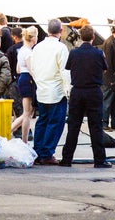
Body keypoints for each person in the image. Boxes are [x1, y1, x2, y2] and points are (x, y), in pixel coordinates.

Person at [59, 25, 111, 168]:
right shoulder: (98, 53)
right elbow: (105, 69)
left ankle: (66, 159)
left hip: (78, 91)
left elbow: (68, 68)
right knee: (96, 126)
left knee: (73, 126)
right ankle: (99, 160)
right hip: (94, 91)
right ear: (93, 37)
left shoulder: (74, 53)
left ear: (81, 37)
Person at [31, 19, 70, 165]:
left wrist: (39, 82)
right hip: (56, 90)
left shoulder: (37, 47)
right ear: (60, 31)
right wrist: (68, 90)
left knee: (42, 121)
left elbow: (33, 68)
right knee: (55, 123)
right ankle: (47, 153)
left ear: (47, 31)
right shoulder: (61, 48)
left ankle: (38, 151)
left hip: (42, 88)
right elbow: (64, 71)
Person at [10, 26, 37, 143]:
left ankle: (10, 130)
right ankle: (24, 140)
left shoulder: (21, 50)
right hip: (28, 79)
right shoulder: (28, 52)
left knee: (27, 112)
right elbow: (32, 70)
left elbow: (17, 69)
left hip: (22, 78)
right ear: (33, 38)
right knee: (27, 113)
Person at [5, 27, 24, 123]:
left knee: (17, 107)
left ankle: (19, 129)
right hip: (29, 80)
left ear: (14, 37)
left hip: (15, 80)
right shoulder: (29, 48)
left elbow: (8, 66)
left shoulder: (11, 50)